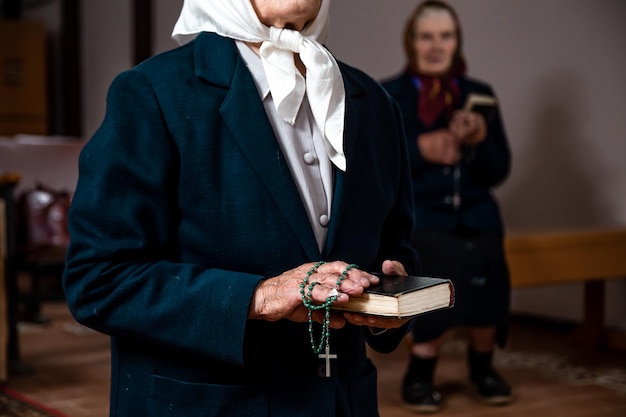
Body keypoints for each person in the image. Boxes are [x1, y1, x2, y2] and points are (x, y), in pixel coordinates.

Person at [62, 1, 419, 416]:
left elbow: (398, 246)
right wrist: (260, 296)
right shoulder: (152, 92)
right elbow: (98, 279)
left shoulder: (374, 104)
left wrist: (386, 301)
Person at [381, 0, 513, 413]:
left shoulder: (479, 95)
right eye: (426, 36)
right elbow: (376, 166)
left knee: (490, 261)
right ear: (411, 42)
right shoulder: (390, 96)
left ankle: (483, 367)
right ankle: (420, 371)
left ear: (457, 42)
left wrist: (477, 143)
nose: (436, 45)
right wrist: (419, 149)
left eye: (446, 36)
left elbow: (499, 169)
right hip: (423, 218)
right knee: (445, 263)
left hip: (476, 214)